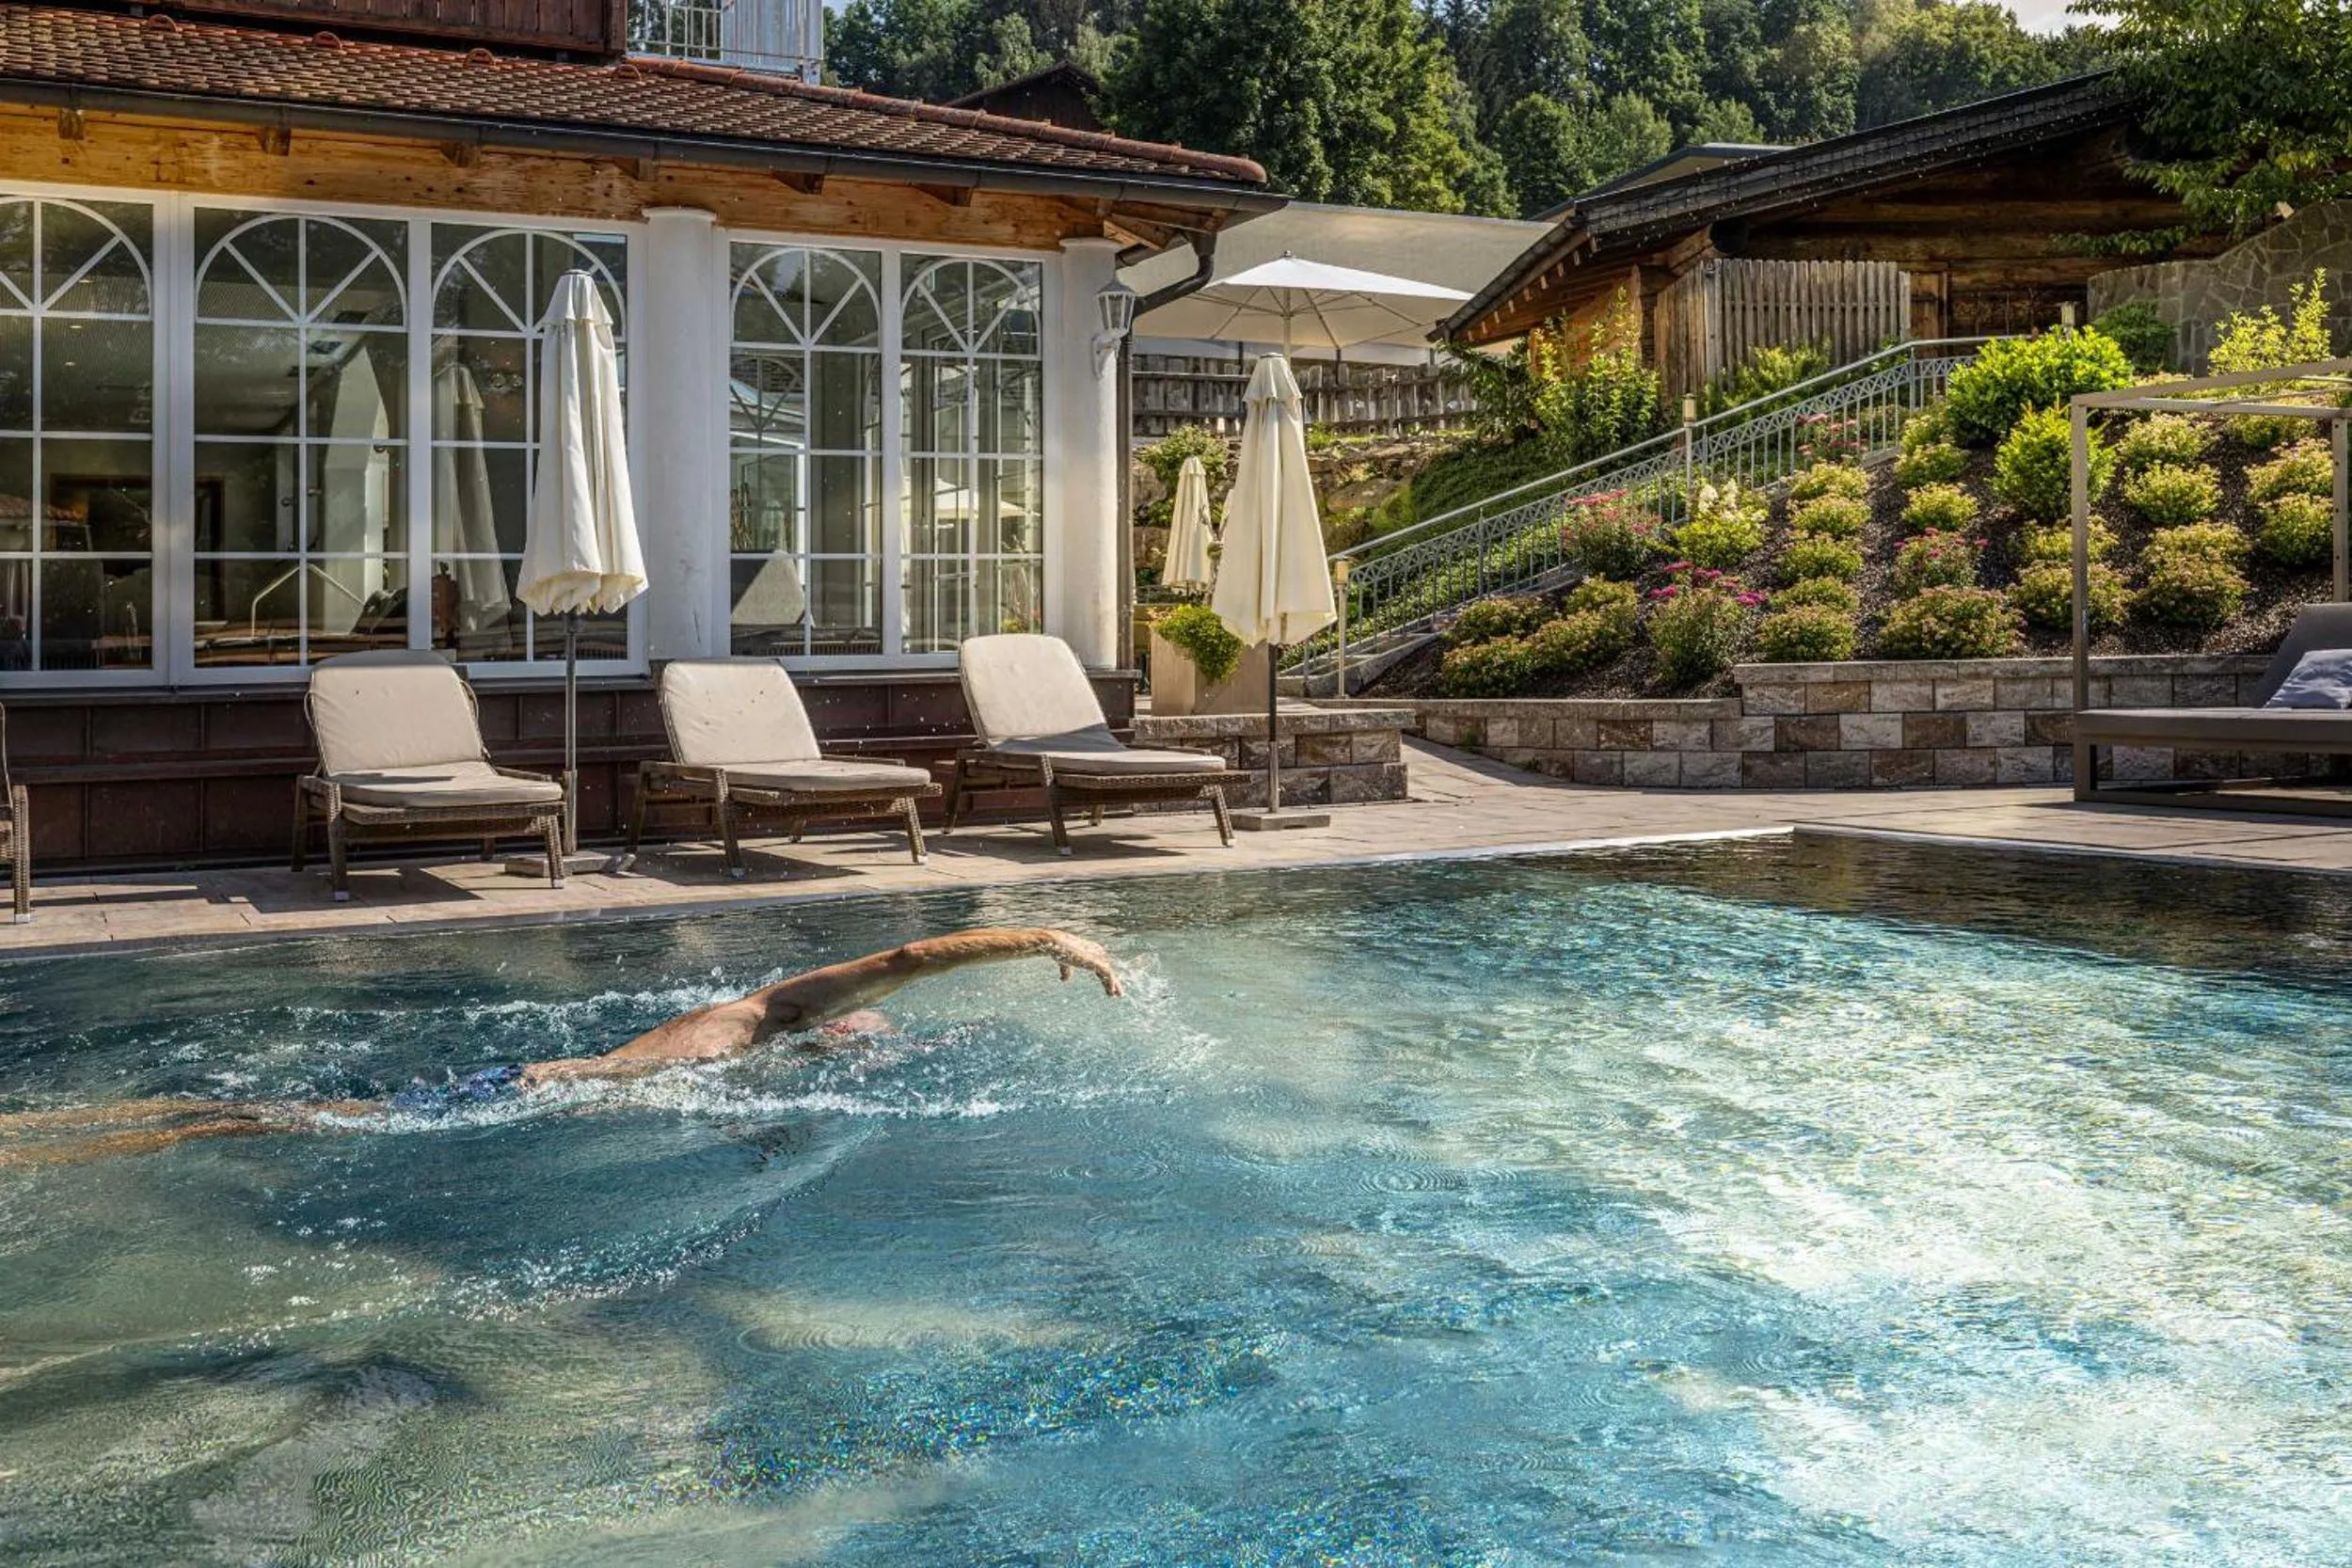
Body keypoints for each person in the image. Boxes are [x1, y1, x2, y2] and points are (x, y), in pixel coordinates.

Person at [0, 927, 1120, 1167]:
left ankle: (60, 1135)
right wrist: (1041, 938)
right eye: (855, 1026)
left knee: (293, 1118)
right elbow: (912, 956)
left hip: (542, 1099)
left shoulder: (760, 1054)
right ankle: (54, 1142)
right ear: (823, 1014)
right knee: (275, 1121)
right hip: (524, 1092)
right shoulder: (763, 1010)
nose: (865, 1031)